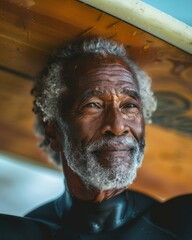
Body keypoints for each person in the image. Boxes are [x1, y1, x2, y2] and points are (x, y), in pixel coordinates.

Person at [0, 36, 191, 240]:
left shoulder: (182, 223)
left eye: (129, 106)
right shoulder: (20, 233)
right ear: (53, 132)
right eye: (93, 105)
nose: (117, 126)